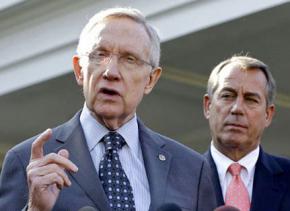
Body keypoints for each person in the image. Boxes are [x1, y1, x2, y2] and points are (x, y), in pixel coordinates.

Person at [0, 7, 216, 211]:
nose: (110, 71)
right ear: (79, 70)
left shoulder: (191, 168)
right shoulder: (26, 162)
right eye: (99, 55)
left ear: (151, 79)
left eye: (129, 59)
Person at [203, 55, 290, 211]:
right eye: (227, 96)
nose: (237, 108)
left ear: (268, 115)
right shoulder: (178, 177)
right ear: (208, 106)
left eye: (251, 99)